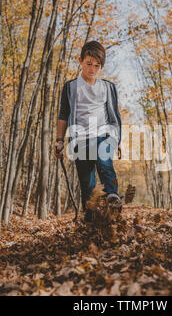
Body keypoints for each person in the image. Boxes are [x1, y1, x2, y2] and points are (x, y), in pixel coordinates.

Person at [54, 40, 122, 222]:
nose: (92, 69)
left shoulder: (108, 88)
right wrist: (60, 140)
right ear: (80, 61)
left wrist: (118, 139)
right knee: (87, 185)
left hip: (103, 134)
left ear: (101, 66)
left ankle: (113, 199)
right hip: (80, 139)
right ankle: (91, 222)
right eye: (88, 64)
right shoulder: (71, 87)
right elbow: (64, 114)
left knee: (104, 163)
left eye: (97, 65)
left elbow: (114, 115)